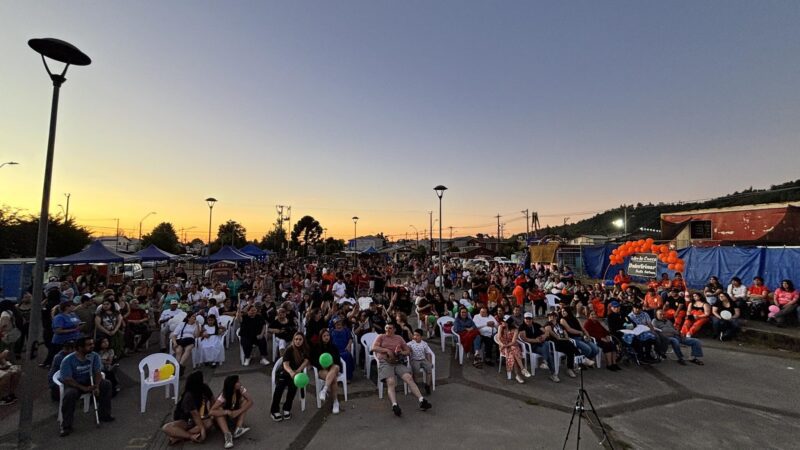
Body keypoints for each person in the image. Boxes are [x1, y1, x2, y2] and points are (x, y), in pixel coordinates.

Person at [58, 337, 114, 437]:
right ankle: (66, 426)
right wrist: (83, 388)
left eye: (92, 344)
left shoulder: (94, 356)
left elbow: (97, 372)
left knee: (106, 384)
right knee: (70, 394)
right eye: (89, 345)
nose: (92, 346)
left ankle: (104, 415)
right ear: (80, 348)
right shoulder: (68, 360)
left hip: (89, 380)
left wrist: (96, 386)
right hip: (74, 383)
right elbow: (67, 379)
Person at [371, 323, 432, 416]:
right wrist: (387, 350)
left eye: (390, 328)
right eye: (386, 328)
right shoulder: (381, 337)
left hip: (397, 362)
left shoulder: (399, 338)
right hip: (385, 362)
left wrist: (401, 352)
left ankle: (421, 400)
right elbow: (373, 348)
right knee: (391, 382)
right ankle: (395, 405)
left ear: (394, 329)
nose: (388, 330)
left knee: (409, 378)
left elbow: (408, 351)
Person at [161, 370, 215, 445]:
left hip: (202, 417)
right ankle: (190, 436)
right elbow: (195, 414)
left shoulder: (204, 387)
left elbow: (212, 399)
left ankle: (178, 437)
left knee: (209, 423)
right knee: (166, 427)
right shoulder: (188, 396)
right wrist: (202, 429)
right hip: (186, 420)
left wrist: (211, 413)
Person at [271, 332, 310, 422]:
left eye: (300, 339)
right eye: (296, 339)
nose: (298, 341)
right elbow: (285, 364)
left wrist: (299, 370)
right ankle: (274, 410)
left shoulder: (305, 349)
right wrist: (291, 372)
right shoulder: (289, 349)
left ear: (303, 340)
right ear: (293, 340)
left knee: (293, 388)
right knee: (279, 389)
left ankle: (287, 408)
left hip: (295, 375)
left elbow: (306, 360)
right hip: (284, 373)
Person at [211, 375, 252, 449]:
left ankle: (238, 428)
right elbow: (211, 411)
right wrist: (226, 412)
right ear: (232, 385)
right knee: (219, 409)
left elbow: (250, 401)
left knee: (245, 401)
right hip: (223, 418)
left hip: (233, 414)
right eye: (237, 382)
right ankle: (227, 436)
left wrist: (238, 411)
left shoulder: (240, 389)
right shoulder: (224, 395)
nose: (240, 383)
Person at [519, 312, 560, 382]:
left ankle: (545, 362)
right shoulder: (522, 327)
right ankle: (553, 373)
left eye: (529, 318)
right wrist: (536, 340)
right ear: (524, 319)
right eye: (526, 318)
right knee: (549, 354)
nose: (528, 320)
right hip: (531, 346)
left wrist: (544, 336)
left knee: (546, 343)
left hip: (540, 344)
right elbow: (525, 339)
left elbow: (546, 332)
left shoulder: (536, 325)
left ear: (532, 319)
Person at [311, 329, 342, 414]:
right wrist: (321, 365)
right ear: (321, 337)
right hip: (322, 369)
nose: (326, 337)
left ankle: (324, 390)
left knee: (335, 367)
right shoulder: (316, 347)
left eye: (328, 335)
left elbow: (338, 361)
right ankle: (335, 402)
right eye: (324, 336)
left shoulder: (333, 347)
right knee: (334, 379)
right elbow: (313, 361)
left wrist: (331, 362)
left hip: (334, 368)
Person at [542, 311, 578, 378]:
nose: (549, 317)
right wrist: (563, 338)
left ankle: (570, 368)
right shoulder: (547, 324)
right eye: (549, 315)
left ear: (556, 317)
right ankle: (577, 361)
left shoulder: (560, 325)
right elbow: (556, 337)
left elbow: (567, 336)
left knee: (570, 349)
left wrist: (564, 338)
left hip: (563, 343)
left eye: (551, 315)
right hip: (554, 344)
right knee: (570, 346)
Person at [497, 317, 530, 383]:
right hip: (504, 347)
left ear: (508, 323)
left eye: (504, 321)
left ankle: (518, 375)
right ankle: (522, 369)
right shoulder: (500, 327)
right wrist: (502, 345)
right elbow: (498, 338)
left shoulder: (515, 330)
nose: (502, 322)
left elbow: (513, 342)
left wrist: (506, 345)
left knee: (513, 351)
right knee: (514, 351)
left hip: (512, 345)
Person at [407, 329, 434, 394]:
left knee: (429, 368)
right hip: (414, 360)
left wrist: (429, 362)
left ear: (421, 337)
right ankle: (416, 385)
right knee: (416, 371)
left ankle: (427, 385)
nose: (415, 337)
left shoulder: (424, 344)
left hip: (423, 359)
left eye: (417, 335)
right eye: (414, 335)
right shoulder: (411, 343)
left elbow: (428, 353)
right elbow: (404, 346)